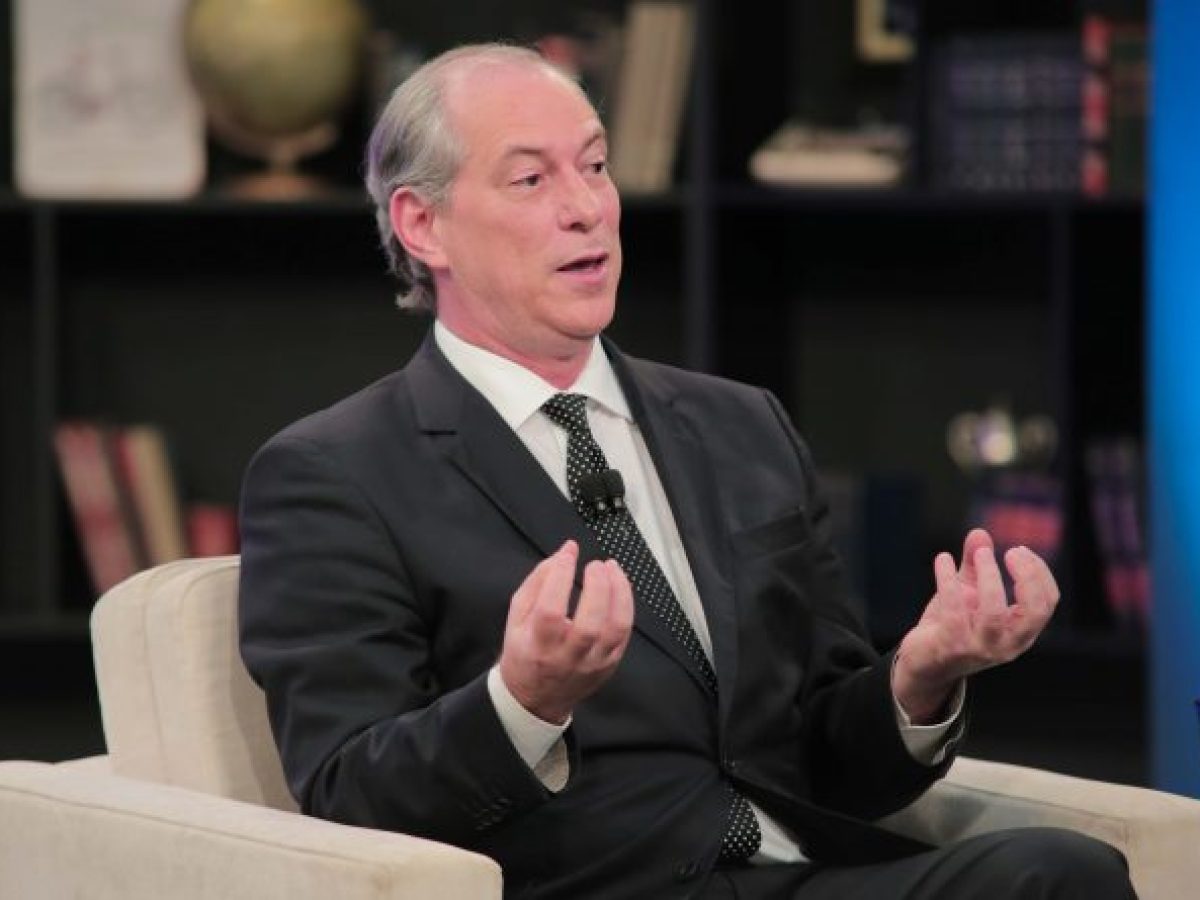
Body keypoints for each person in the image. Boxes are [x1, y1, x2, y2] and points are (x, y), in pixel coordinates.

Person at [238, 43, 1136, 899]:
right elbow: (350, 793)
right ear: (421, 223)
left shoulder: (741, 425)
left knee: (1060, 874)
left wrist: (922, 675)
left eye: (595, 166)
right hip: (593, 886)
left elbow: (828, 756)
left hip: (798, 877)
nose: (587, 208)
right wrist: (523, 701)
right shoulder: (335, 474)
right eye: (530, 180)